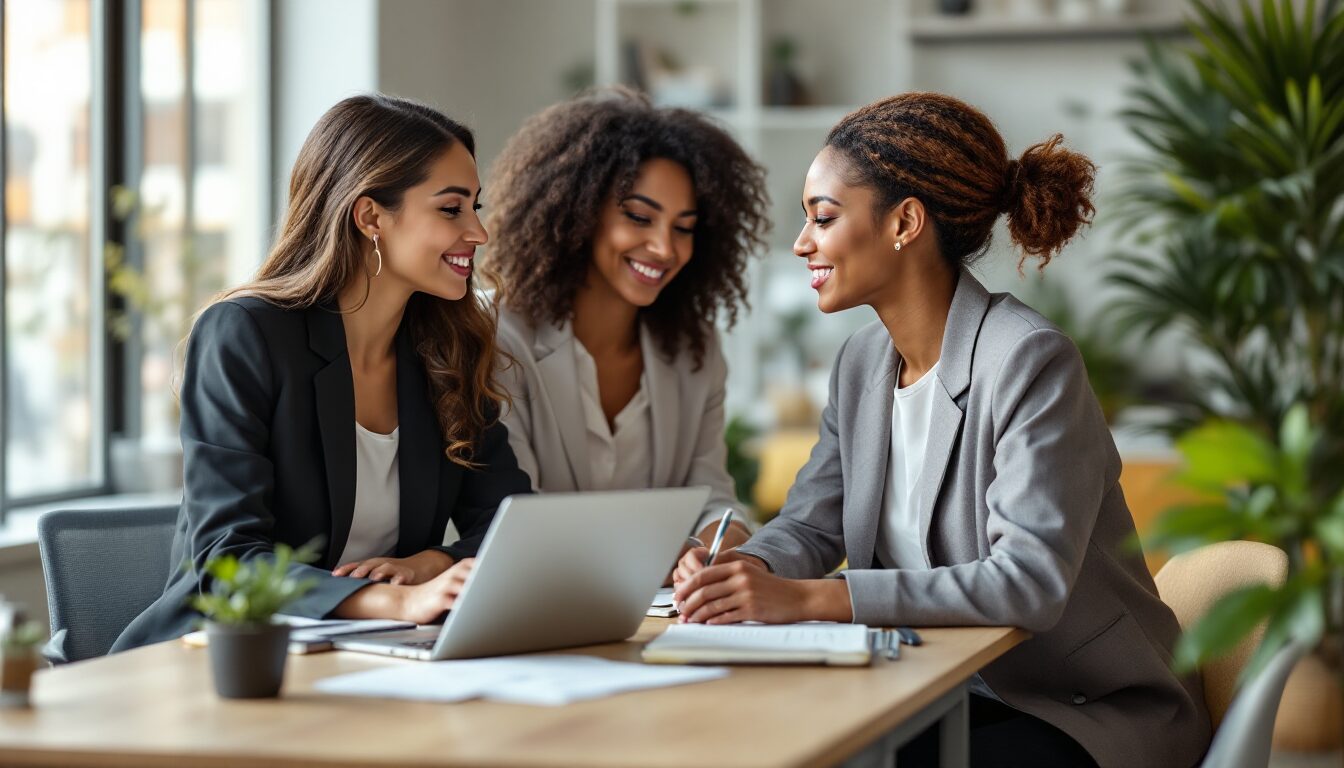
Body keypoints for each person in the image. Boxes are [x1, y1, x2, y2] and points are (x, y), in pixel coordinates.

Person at [672, 92, 1211, 767]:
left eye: (823, 217)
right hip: (937, 687)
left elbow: (1027, 581)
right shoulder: (860, 364)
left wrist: (814, 598)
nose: (802, 242)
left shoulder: (1029, 361)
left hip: (1080, 708)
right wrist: (746, 569)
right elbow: (811, 524)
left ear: (904, 222)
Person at [111, 95, 532, 654]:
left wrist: (434, 563)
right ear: (370, 217)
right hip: (226, 656)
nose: (478, 232)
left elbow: (513, 520)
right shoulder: (245, 335)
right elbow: (226, 561)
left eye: (475, 207)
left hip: (375, 657)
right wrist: (396, 602)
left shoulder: (447, 348)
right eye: (452, 209)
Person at [482, 88, 770, 553]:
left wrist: (715, 545)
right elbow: (514, 510)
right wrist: (661, 553)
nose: (664, 248)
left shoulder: (695, 348)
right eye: (639, 217)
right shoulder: (498, 334)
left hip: (662, 597)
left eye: (683, 227)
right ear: (579, 210)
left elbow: (713, 496)